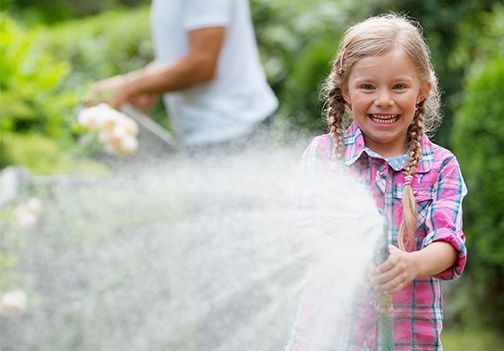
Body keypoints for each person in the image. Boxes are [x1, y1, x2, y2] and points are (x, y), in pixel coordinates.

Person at [285, 14, 467, 350]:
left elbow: (449, 243)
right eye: (368, 86)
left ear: (422, 90)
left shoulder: (440, 166)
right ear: (346, 91)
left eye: (399, 86)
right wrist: (345, 256)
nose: (384, 99)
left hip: (408, 341)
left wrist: (411, 264)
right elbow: (303, 228)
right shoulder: (325, 157)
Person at [90, 0, 278, 151]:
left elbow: (202, 64)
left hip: (232, 127)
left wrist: (127, 86)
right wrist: (143, 83)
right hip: (210, 130)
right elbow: (180, 53)